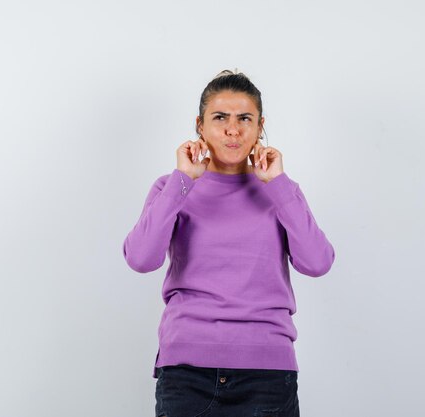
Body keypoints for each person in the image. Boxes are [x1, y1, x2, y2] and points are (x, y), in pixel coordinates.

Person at [122, 69, 336, 417]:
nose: (232, 129)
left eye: (244, 118)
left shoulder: (281, 190)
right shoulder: (172, 187)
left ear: (259, 126)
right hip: (187, 373)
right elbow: (141, 258)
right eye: (220, 117)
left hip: (267, 375)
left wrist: (278, 185)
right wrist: (183, 180)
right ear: (200, 125)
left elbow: (317, 262)